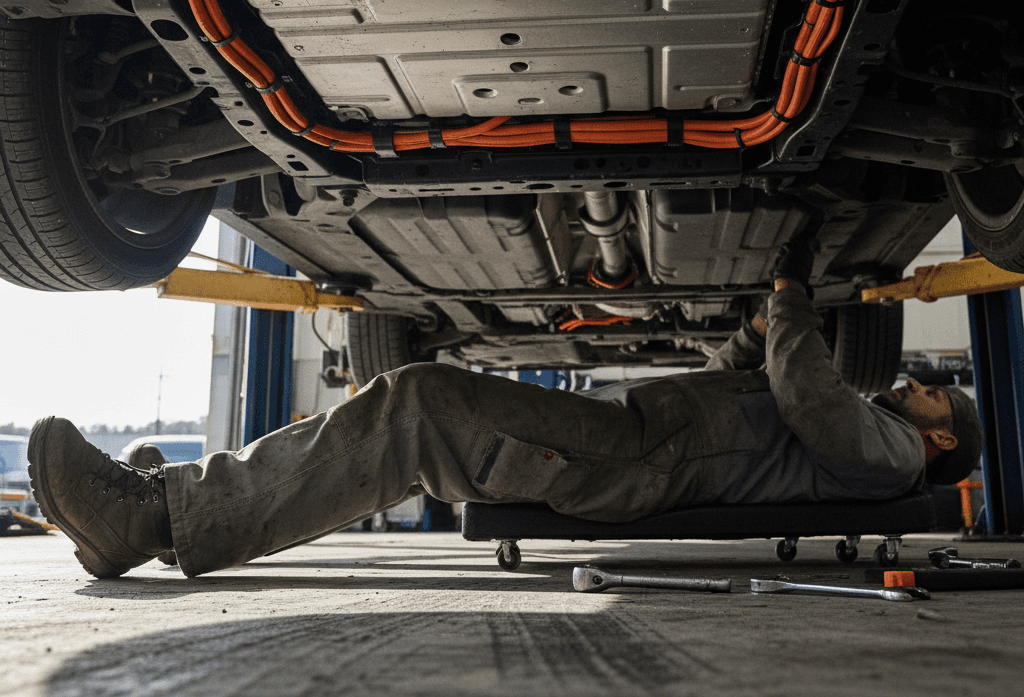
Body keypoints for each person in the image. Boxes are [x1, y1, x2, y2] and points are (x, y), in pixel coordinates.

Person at [28, 242, 983, 580]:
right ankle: (154, 509)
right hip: (640, 442)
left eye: (935, 392)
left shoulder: (894, 454)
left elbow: (809, 393)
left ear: (942, 435)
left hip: (634, 462)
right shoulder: (885, 433)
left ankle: (156, 517)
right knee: (415, 402)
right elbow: (763, 376)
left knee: (415, 404)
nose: (918, 381)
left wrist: (789, 297)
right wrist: (762, 311)